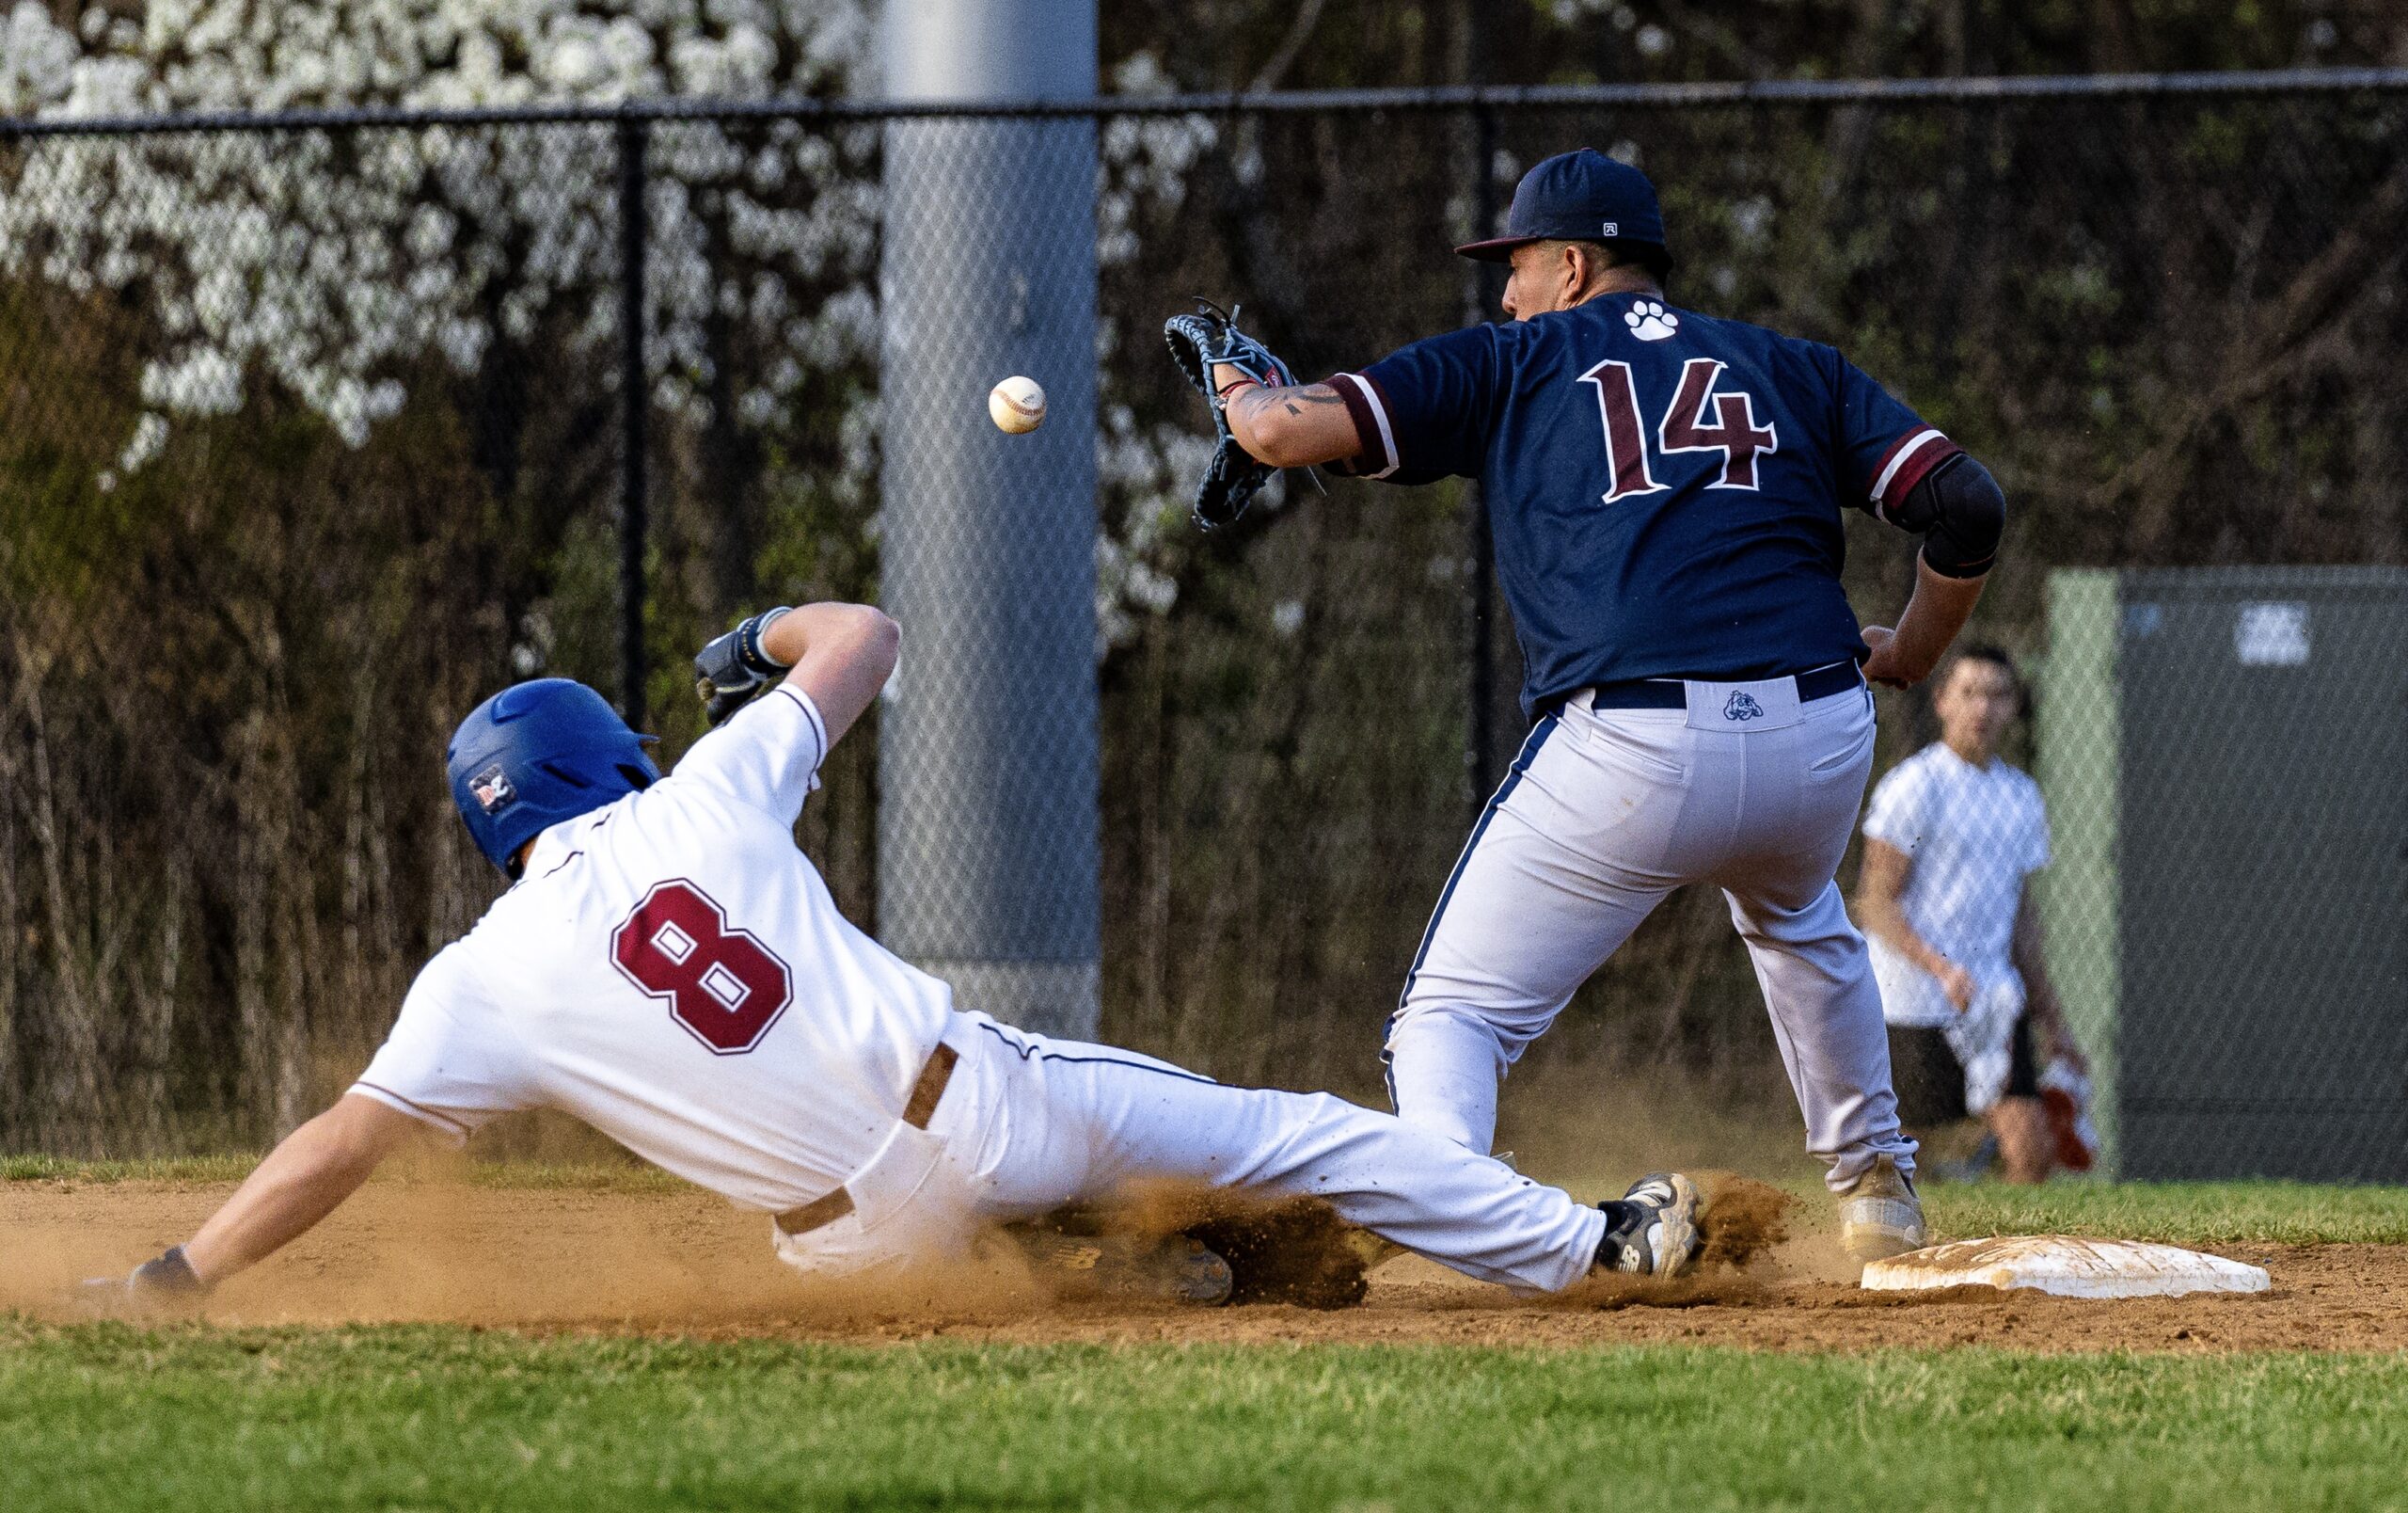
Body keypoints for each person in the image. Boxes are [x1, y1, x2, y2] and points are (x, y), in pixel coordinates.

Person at [85, 601, 1706, 1313]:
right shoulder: (704, 791)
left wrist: (184, 1273)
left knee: (1030, 1255)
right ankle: (1591, 1247)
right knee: (1303, 1131)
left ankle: (1144, 1268)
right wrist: (752, 649)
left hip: (851, 1251)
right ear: (616, 757)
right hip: (979, 1110)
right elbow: (865, 632)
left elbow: (339, 1142)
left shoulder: (478, 977)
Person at [1208, 148, 2010, 1262]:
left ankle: (1456, 1207)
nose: (1506, 292)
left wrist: (1239, 386)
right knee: (1798, 921)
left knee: (1454, 1018)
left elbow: (1283, 435)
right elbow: (1965, 504)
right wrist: (1912, 652)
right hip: (1820, 731)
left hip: (1636, 743)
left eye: (1520, 267)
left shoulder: (1515, 358)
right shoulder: (1791, 366)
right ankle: (1875, 1187)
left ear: (1574, 265)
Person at [1855, 645, 2086, 1184]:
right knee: (1899, 1158)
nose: (1983, 708)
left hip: (1991, 999)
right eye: (1969, 693)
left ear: (2012, 707)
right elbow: (1875, 901)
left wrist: (2056, 1024)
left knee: (2030, 1150)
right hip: (1913, 1001)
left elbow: (2022, 922)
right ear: (1941, 702)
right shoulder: (1915, 786)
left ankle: (2009, 1264)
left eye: (1998, 695)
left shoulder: (2021, 796)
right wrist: (1938, 967)